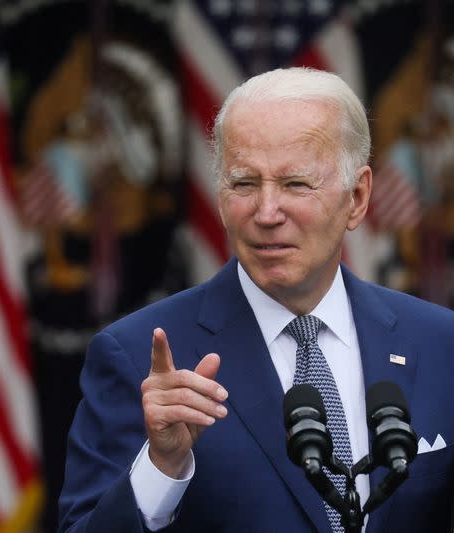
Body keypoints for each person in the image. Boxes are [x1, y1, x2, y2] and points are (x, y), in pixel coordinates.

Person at [58, 67, 454, 532]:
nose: (266, 213)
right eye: (245, 184)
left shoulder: (439, 343)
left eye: (295, 184)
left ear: (358, 196)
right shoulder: (137, 357)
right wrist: (160, 467)